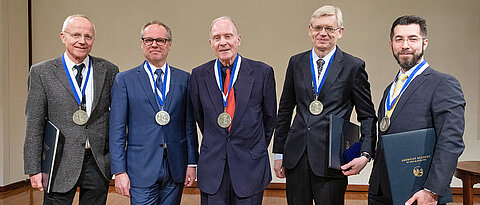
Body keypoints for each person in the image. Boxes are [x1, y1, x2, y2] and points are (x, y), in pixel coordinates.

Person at [273, 5, 377, 205]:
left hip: (333, 160)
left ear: (340, 32)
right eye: (318, 27)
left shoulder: (353, 67)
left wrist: (365, 154)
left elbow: (367, 116)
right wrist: (279, 153)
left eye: (329, 28)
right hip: (297, 157)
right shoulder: (296, 63)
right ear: (310, 30)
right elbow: (285, 110)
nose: (323, 33)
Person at [368, 15, 466, 205]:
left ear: (425, 43)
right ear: (391, 45)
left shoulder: (443, 83)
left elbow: (451, 142)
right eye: (399, 39)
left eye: (412, 38)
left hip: (419, 192)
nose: (405, 45)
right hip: (381, 190)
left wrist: (432, 190)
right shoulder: (391, 89)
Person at [23, 14, 118, 204]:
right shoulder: (42, 72)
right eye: (76, 35)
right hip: (58, 163)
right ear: (63, 37)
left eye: (88, 36)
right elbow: (34, 123)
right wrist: (33, 168)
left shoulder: (108, 70)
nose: (82, 41)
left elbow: (116, 120)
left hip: (97, 162)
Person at [109, 20, 199, 205]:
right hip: (140, 167)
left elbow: (189, 126)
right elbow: (117, 129)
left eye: (161, 40)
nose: (155, 44)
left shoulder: (184, 79)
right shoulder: (124, 80)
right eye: (149, 40)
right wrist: (119, 171)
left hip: (175, 166)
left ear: (169, 44)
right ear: (142, 43)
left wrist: (192, 163)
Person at [189, 16, 277, 204]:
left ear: (238, 39)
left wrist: (253, 147)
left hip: (250, 166)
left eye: (228, 36)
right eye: (217, 38)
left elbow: (270, 119)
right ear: (211, 43)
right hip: (213, 169)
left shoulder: (262, 73)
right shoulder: (198, 75)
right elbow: (200, 118)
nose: (223, 43)